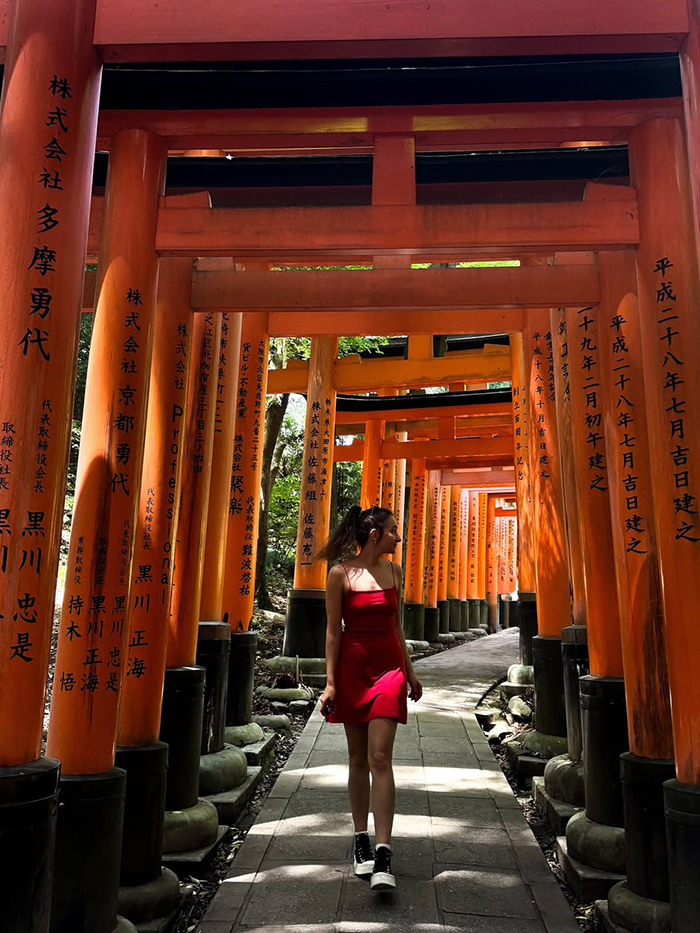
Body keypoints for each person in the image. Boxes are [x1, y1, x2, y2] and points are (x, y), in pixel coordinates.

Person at [318, 505, 423, 891]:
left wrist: (410, 671)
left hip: (390, 671)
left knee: (381, 757)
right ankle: (360, 838)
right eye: (394, 530)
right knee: (357, 758)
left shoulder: (394, 572)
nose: (399, 536)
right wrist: (330, 684)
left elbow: (398, 628)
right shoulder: (339, 574)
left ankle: (383, 851)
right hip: (352, 671)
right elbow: (333, 633)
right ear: (375, 534)